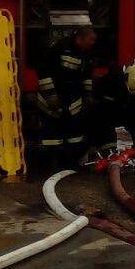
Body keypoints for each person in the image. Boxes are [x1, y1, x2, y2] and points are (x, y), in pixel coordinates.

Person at [36, 27, 98, 168]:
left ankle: (71, 164)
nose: (92, 43)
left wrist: (88, 94)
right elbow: (43, 70)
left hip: (72, 101)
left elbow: (87, 76)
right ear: (80, 38)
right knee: (51, 136)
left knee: (74, 135)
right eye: (91, 40)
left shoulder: (87, 53)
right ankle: (51, 164)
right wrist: (51, 95)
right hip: (51, 101)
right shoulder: (60, 47)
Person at [92, 61, 135, 163]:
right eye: (132, 91)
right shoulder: (108, 83)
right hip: (105, 111)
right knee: (104, 124)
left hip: (122, 108)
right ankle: (109, 155)